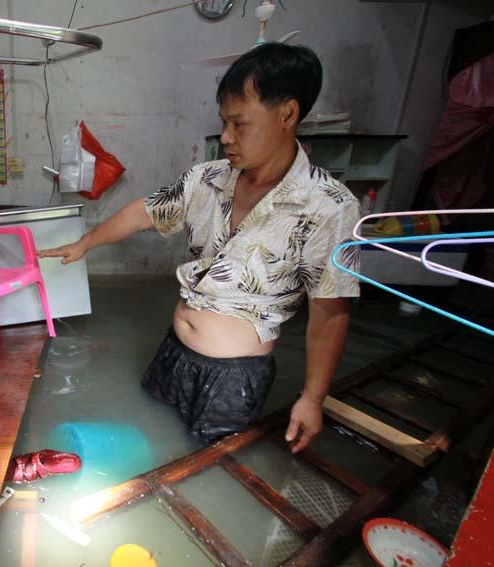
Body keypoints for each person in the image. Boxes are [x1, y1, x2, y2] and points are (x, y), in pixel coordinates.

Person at [38, 43, 360, 453]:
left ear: (287, 114)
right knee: (150, 430)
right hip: (174, 352)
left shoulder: (329, 207)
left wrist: (313, 398)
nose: (225, 137)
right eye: (224, 122)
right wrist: (85, 243)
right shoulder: (207, 178)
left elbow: (330, 314)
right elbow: (144, 211)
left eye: (239, 124)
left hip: (232, 379)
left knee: (208, 461)